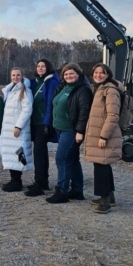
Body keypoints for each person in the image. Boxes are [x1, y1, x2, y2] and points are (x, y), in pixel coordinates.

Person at [46, 63, 93, 204]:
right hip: (60, 129)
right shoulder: (63, 87)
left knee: (62, 159)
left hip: (71, 130)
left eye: (71, 73)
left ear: (78, 74)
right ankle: (77, 190)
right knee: (73, 160)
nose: (69, 76)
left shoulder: (83, 90)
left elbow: (84, 112)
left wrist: (80, 131)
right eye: (66, 74)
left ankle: (62, 191)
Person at [84, 63, 123, 214]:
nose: (98, 75)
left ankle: (104, 201)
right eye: (96, 72)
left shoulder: (110, 91)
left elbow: (113, 115)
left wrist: (103, 136)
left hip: (104, 135)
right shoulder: (99, 89)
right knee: (103, 165)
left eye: (102, 73)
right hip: (98, 134)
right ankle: (110, 197)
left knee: (101, 168)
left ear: (108, 75)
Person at [25, 59, 60, 197]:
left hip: (43, 123)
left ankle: (39, 184)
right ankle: (43, 181)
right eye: (38, 66)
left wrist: (47, 123)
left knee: (39, 153)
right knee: (40, 152)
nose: (40, 68)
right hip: (33, 122)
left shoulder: (51, 82)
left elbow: (50, 104)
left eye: (43, 66)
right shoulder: (34, 83)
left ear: (48, 67)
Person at [0, 68, 34, 192]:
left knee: (17, 154)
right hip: (8, 129)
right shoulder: (10, 90)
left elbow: (27, 110)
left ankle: (17, 181)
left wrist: (18, 126)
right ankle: (14, 179)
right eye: (13, 75)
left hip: (18, 130)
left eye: (18, 75)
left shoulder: (25, 91)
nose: (15, 77)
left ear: (22, 76)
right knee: (10, 155)